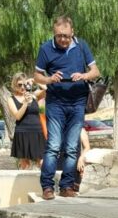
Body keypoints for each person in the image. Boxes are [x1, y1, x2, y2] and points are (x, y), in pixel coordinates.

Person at [34, 15, 100, 199]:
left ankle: (67, 186)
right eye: (59, 36)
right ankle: (47, 186)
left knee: (72, 147)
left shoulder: (82, 46)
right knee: (54, 145)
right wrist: (49, 79)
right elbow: (37, 76)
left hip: (78, 102)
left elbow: (96, 71)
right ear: (54, 34)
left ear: (73, 33)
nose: (62, 39)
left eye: (66, 36)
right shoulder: (46, 49)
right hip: (55, 103)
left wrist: (84, 75)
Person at [5, 73, 47, 170]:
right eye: (19, 84)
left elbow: (48, 90)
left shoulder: (34, 95)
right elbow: (17, 116)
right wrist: (25, 103)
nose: (22, 87)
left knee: (42, 162)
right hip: (22, 132)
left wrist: (35, 80)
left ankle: (44, 184)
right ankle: (23, 184)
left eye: (25, 84)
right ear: (14, 85)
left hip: (37, 132)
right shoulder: (11, 99)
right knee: (25, 164)